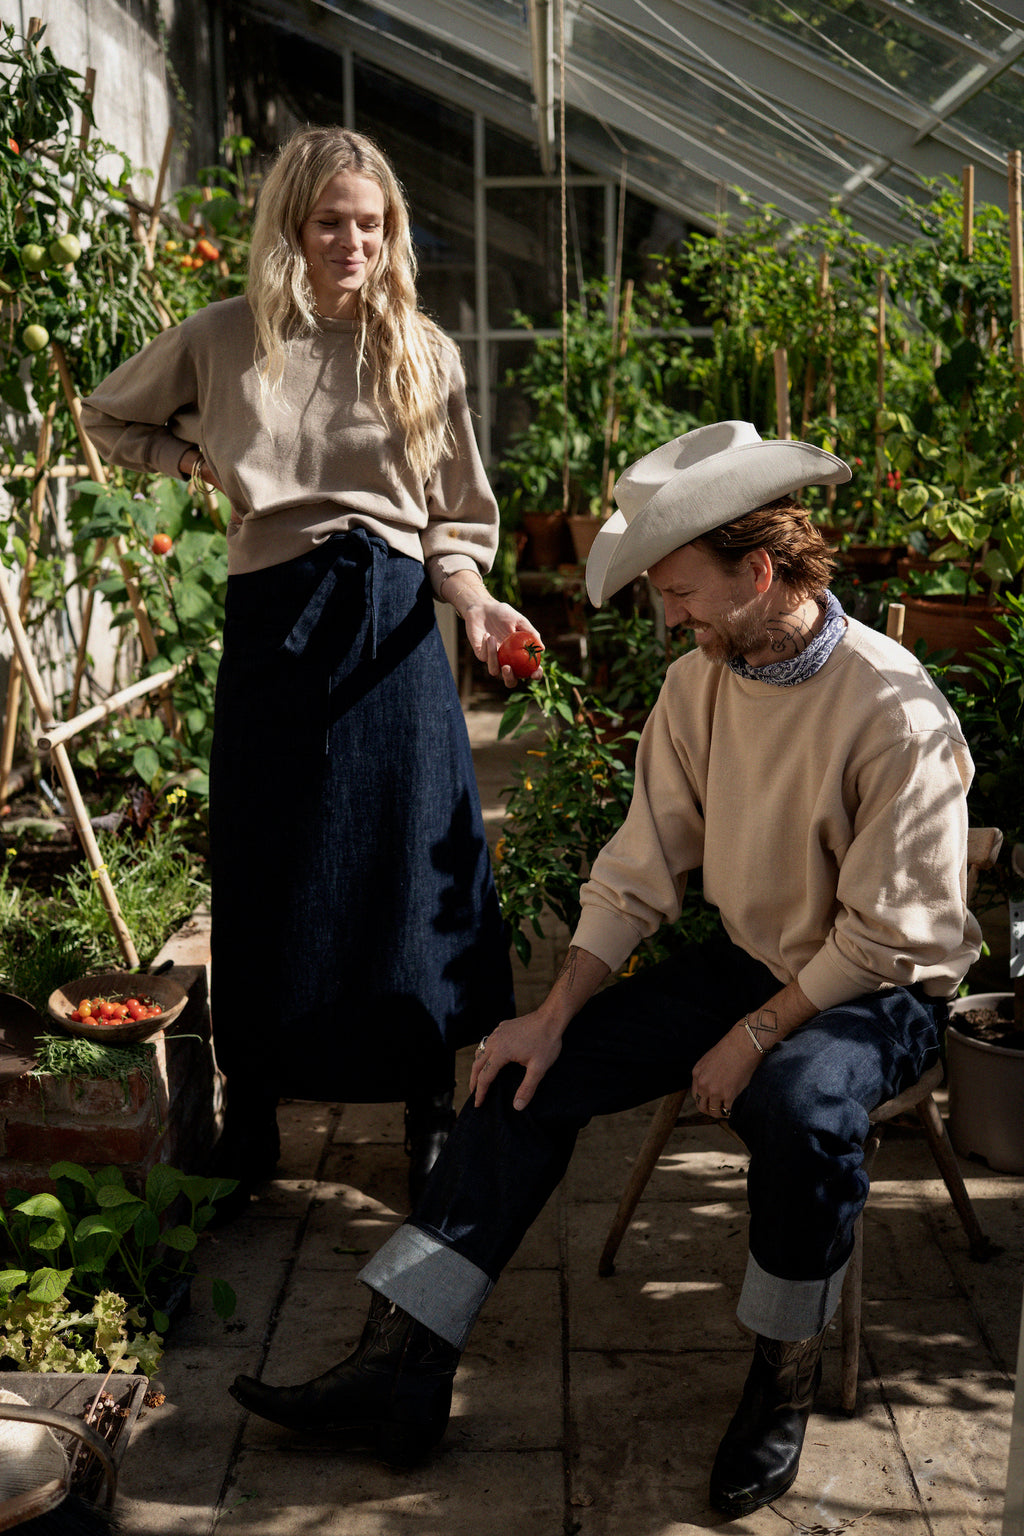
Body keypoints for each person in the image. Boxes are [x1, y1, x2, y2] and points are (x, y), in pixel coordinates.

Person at [228, 420, 982, 1516]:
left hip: (878, 991)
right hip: (752, 960)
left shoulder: (891, 707)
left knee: (803, 1107)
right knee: (522, 1073)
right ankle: (404, 1362)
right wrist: (553, 1010)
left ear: (758, 572)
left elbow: (883, 935)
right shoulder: (700, 686)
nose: (668, 616)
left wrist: (757, 1034)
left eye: (679, 591)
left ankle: (780, 1383)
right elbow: (638, 871)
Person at [81, 126, 541, 1209]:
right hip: (275, 623)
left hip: (392, 632)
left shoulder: (422, 350)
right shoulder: (225, 337)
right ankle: (256, 1113)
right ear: (293, 223)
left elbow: (455, 524)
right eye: (331, 221)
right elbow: (107, 415)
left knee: (407, 866)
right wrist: (194, 458)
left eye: (370, 224)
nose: (352, 243)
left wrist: (474, 607)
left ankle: (428, 1102)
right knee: (272, 866)